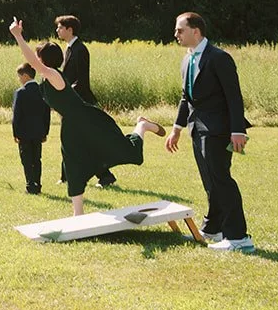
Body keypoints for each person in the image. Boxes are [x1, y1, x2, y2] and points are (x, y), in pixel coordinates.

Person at [9, 18, 164, 215]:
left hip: (86, 119)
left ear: (42, 60)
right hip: (71, 124)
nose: (35, 60)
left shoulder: (54, 75)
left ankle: (141, 126)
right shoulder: (46, 79)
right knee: (73, 165)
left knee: (129, 153)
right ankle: (78, 213)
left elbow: (31, 60)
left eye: (38, 57)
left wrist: (18, 35)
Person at [166, 12, 254, 252]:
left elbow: (234, 97)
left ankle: (238, 237)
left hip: (219, 130)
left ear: (196, 31)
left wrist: (238, 130)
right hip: (197, 129)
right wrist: (177, 129)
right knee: (209, 181)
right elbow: (187, 98)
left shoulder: (219, 58)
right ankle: (213, 227)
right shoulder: (187, 60)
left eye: (180, 30)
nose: (176, 35)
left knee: (221, 179)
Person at [57, 14, 116, 188]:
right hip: (71, 102)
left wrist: (66, 95)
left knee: (81, 140)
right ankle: (67, 176)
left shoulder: (80, 50)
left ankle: (106, 176)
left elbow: (81, 81)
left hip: (79, 102)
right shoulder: (69, 49)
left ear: (70, 29)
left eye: (60, 27)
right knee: (70, 139)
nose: (57, 30)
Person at [11, 62, 50, 194]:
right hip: (38, 131)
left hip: (24, 133)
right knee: (37, 159)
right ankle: (38, 184)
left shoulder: (20, 93)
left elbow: (16, 115)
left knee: (26, 159)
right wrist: (45, 131)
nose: (19, 79)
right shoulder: (42, 91)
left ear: (26, 76)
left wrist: (15, 133)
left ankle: (30, 185)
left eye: (19, 76)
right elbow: (46, 113)